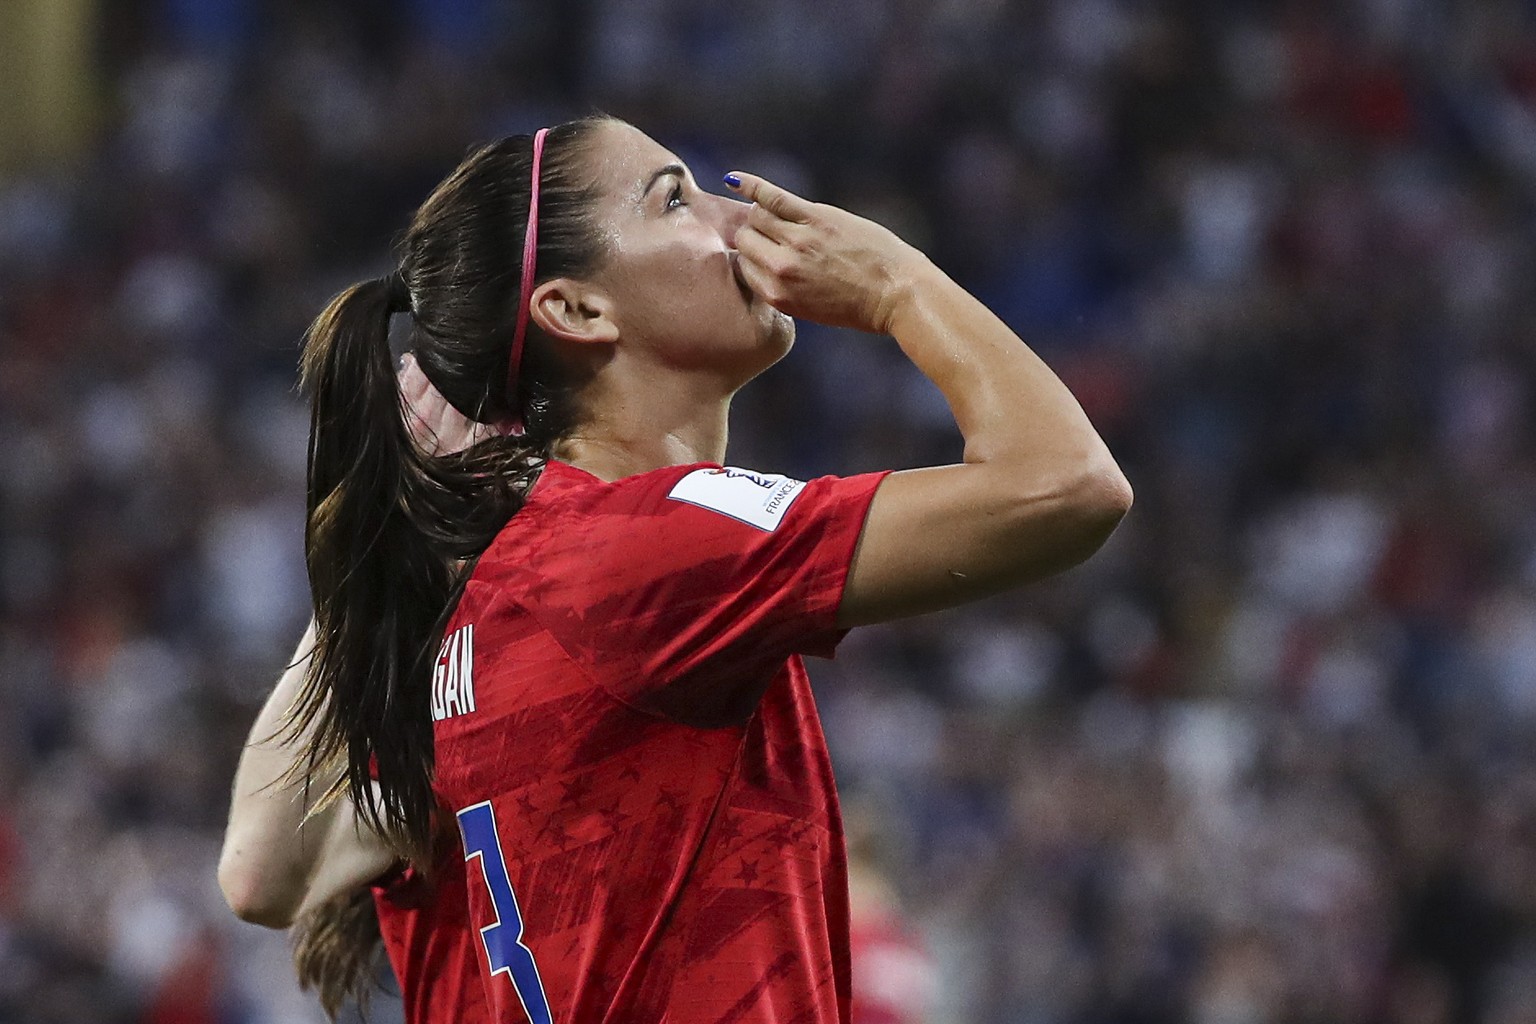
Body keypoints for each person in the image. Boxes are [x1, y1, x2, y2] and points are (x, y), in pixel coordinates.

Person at [217, 114, 1132, 1024]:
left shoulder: (478, 604)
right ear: (576, 310)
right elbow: (1067, 486)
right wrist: (897, 283)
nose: (737, 216)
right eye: (674, 200)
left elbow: (259, 872)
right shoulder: (648, 550)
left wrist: (405, 547)